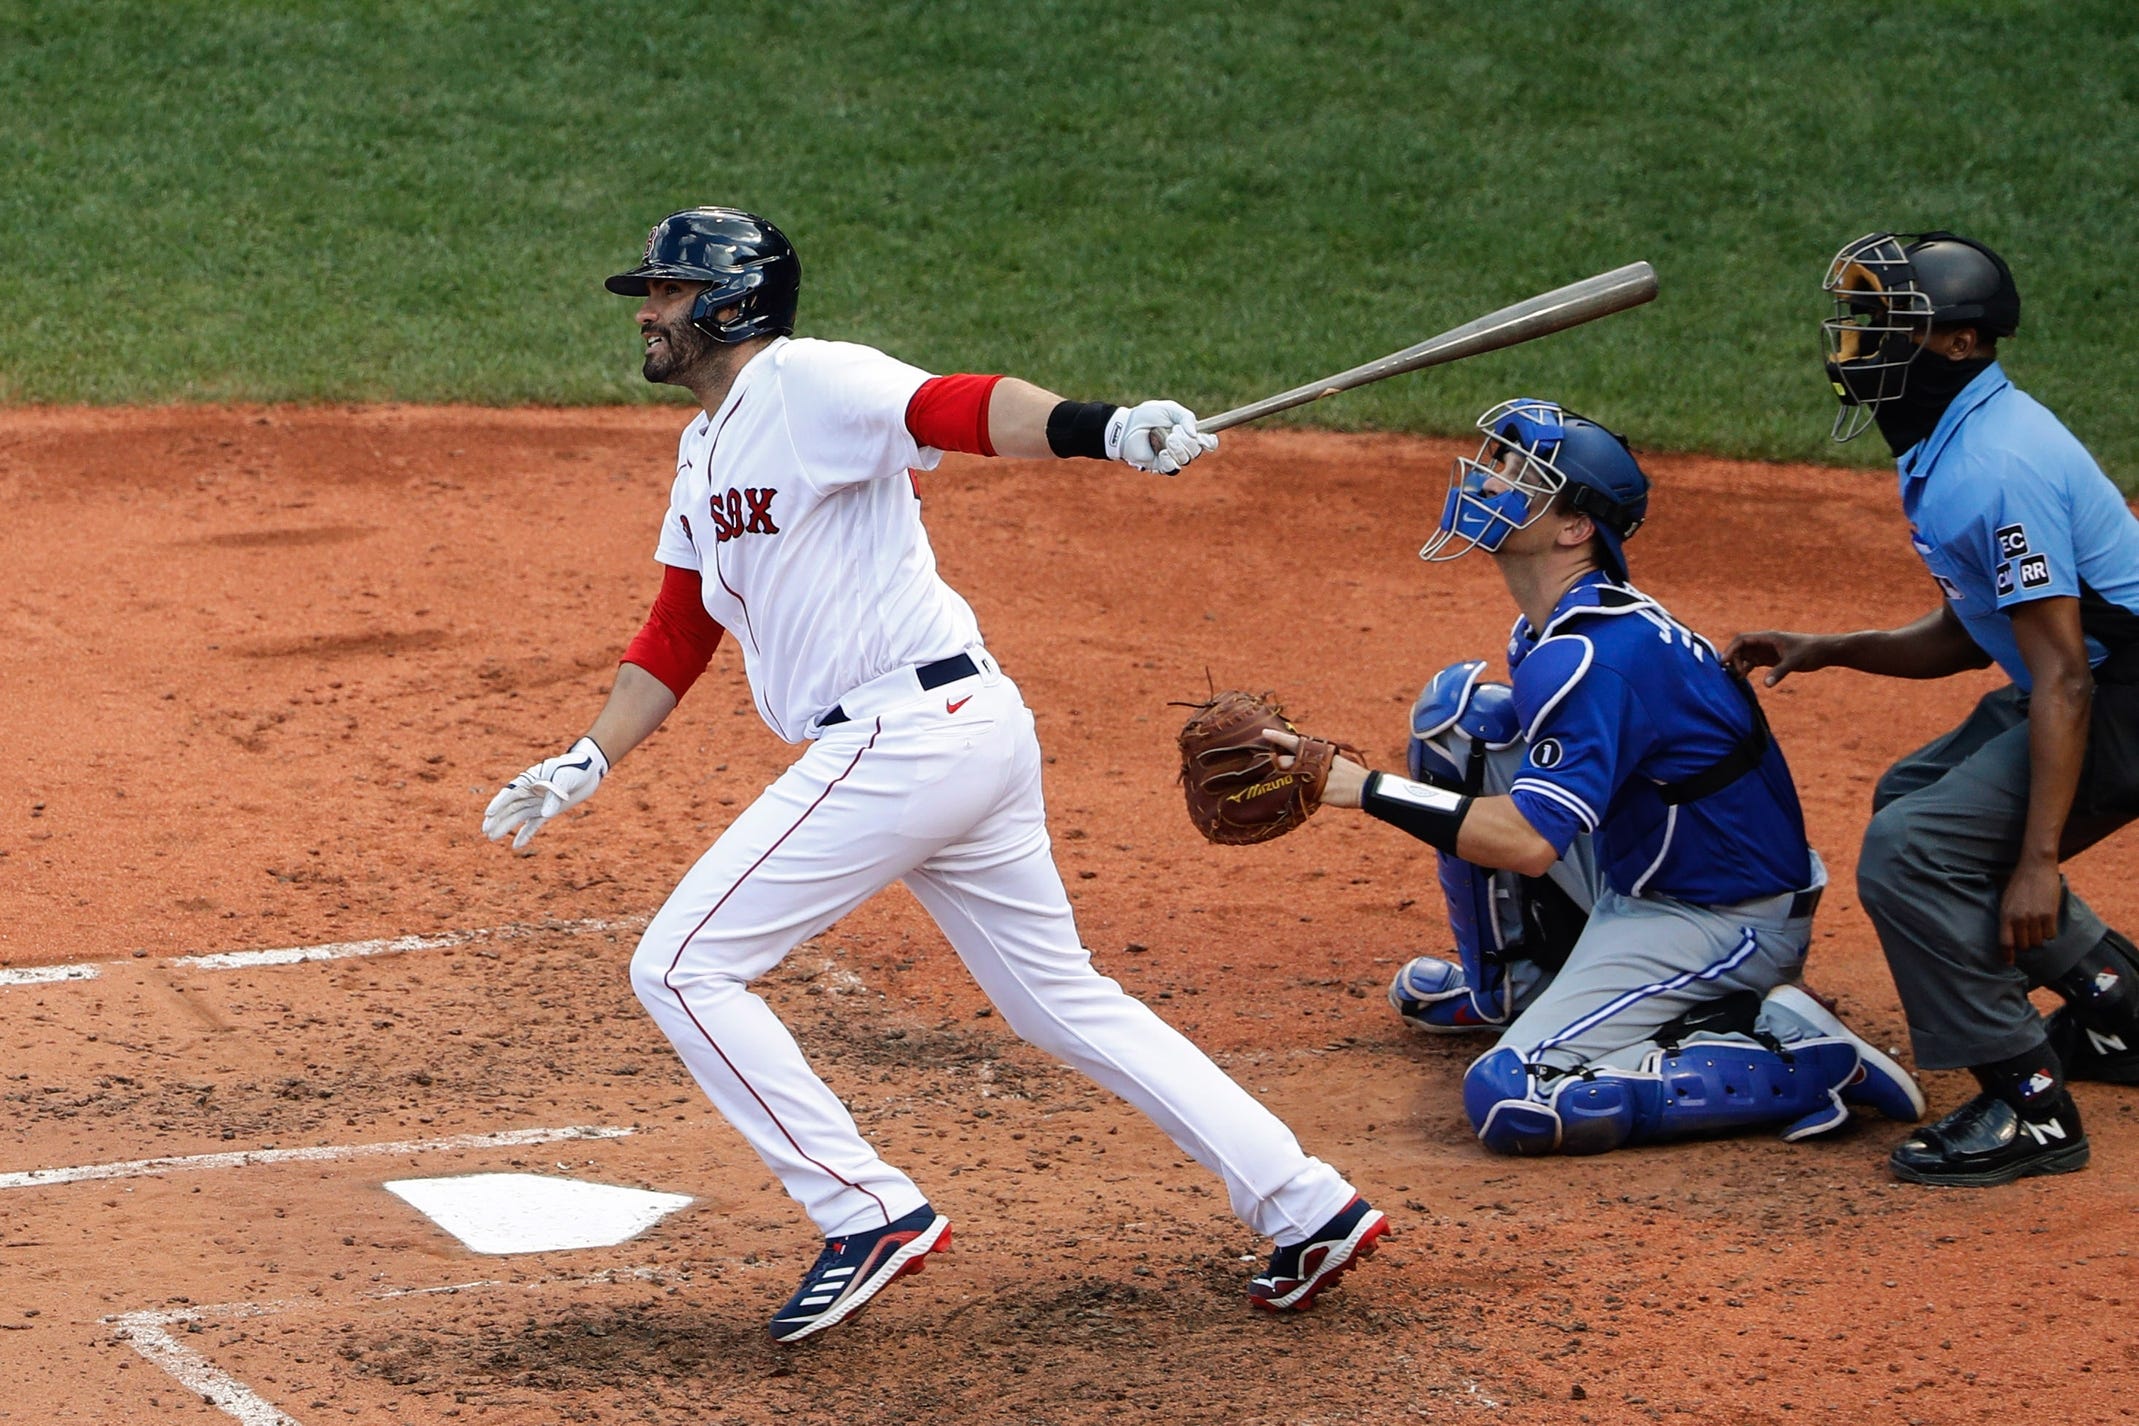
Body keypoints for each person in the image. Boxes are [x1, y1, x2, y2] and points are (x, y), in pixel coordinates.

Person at [480, 207, 1383, 1342]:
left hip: (908, 734)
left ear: (729, 300)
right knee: (1063, 1001)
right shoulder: (704, 446)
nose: (647, 313)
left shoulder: (810, 382)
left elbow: (954, 404)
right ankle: (1307, 1204)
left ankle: (866, 1211)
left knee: (683, 964)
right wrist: (586, 757)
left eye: (665, 292)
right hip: (956, 731)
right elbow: (679, 626)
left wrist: (1104, 430)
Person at [1271, 397, 1924, 1155]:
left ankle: (1800, 1061)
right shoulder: (1558, 626)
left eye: (1520, 475)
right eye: (1498, 463)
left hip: (1717, 919)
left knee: (1513, 1098)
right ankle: (1517, 987)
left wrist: (1361, 789)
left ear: (1576, 526)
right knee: (1462, 723)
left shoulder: (1594, 656)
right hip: (1643, 869)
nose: (1490, 481)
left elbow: (1526, 845)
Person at [1726, 230, 2139, 1187]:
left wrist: (2037, 863)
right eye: (1860, 321)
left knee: (1916, 851)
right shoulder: (1957, 439)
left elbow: (2067, 678)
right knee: (1914, 791)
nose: (1856, 343)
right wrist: (1831, 649)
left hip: (2116, 698)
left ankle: (2027, 1104)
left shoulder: (1997, 465)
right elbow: (1973, 628)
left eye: (1885, 324)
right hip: (2093, 680)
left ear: (1957, 343)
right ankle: (2117, 1009)